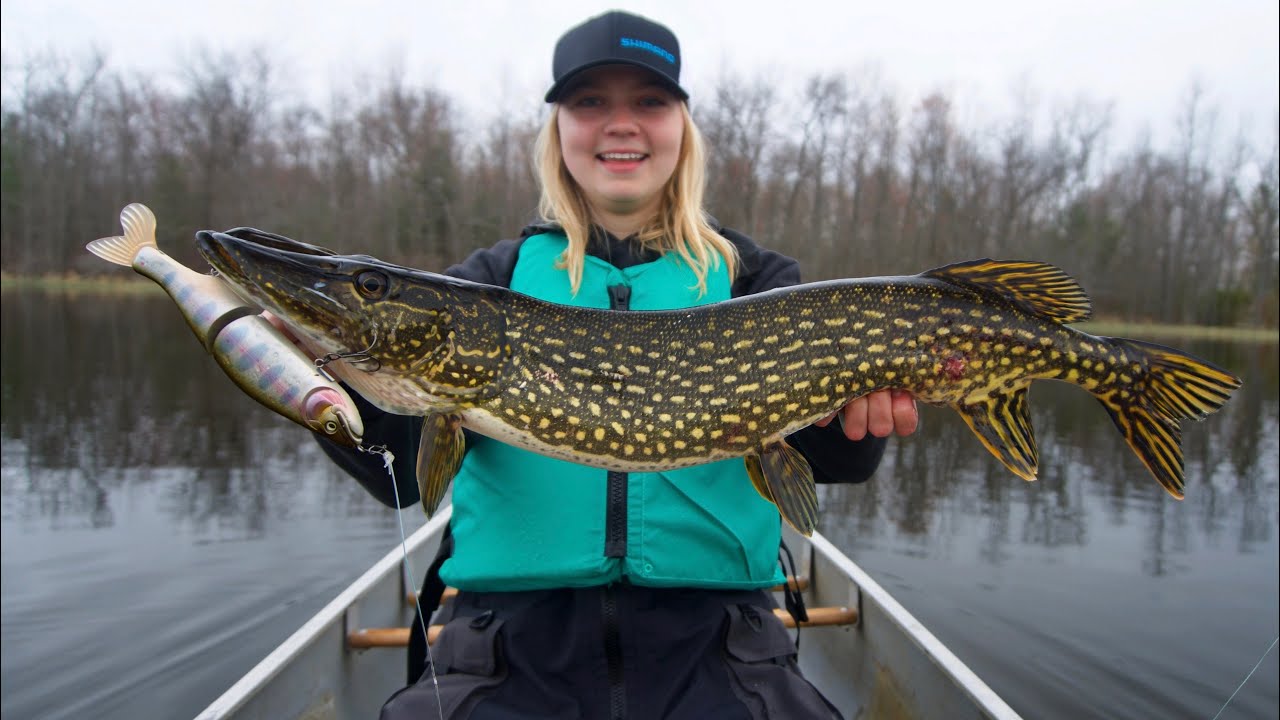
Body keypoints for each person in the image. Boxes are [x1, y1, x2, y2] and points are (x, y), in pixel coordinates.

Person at [316, 10, 918, 719]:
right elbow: (399, 467)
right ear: (559, 128)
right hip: (505, 647)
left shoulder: (755, 280)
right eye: (591, 101)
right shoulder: (490, 282)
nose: (621, 123)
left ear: (682, 126)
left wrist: (862, 417)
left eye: (649, 102)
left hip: (722, 646)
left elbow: (839, 462)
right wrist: (304, 379)